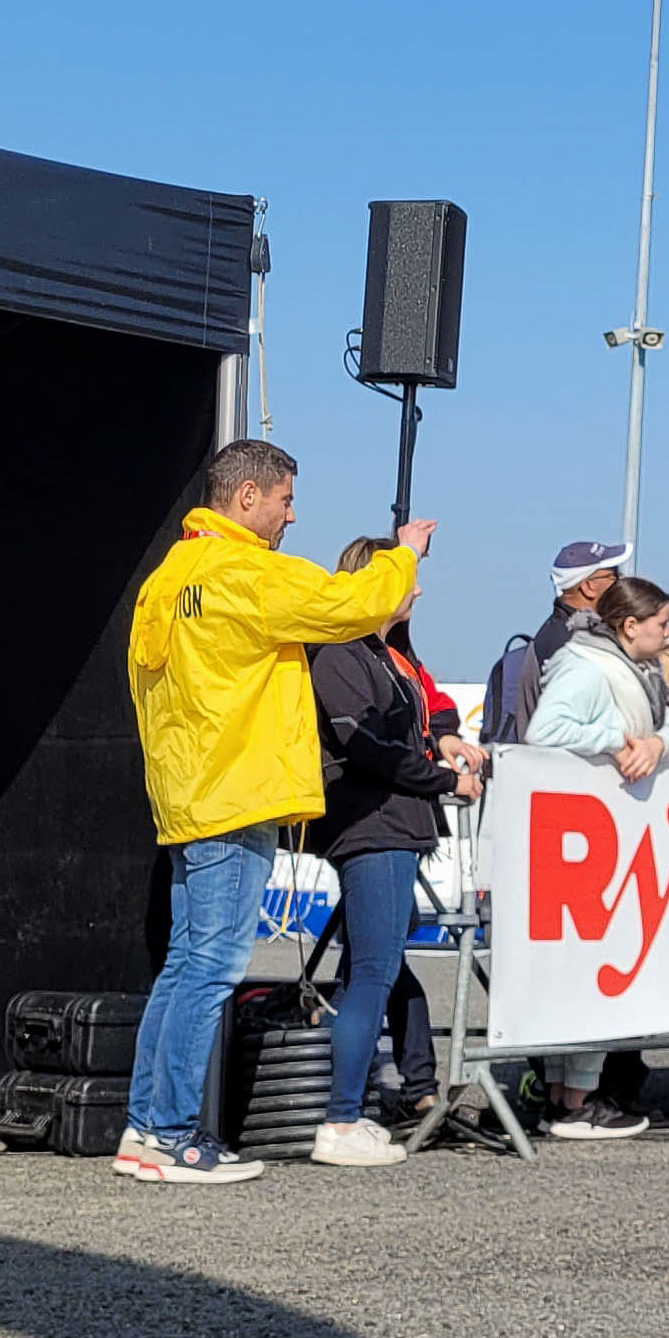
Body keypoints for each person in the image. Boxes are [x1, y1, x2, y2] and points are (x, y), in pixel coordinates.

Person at [116, 440, 425, 1185]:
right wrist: (404, 556)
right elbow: (351, 604)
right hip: (237, 790)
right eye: (285, 500)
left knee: (185, 965)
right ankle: (171, 1135)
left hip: (190, 791)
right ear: (247, 497)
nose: (293, 515)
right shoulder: (245, 571)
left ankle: (144, 1129)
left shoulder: (169, 578)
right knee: (212, 967)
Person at [303, 534, 483, 1166]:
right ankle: (341, 1119)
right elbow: (367, 748)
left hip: (393, 824)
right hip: (371, 825)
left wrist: (444, 738)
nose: (418, 589)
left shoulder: (384, 652)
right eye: (404, 578)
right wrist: (444, 778)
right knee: (373, 971)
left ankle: (400, 1092)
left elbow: (418, 718)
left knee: (374, 965)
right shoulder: (341, 651)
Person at [516, 573, 669, 1136]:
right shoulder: (587, 666)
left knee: (599, 967)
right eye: (662, 624)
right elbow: (547, 731)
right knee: (592, 969)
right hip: (583, 842)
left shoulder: (621, 668)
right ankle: (573, 1104)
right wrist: (619, 736)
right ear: (630, 626)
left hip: (608, 837)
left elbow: (661, 729)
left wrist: (661, 743)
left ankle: (574, 1098)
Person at [478, 538, 629, 751]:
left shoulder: (563, 633)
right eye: (614, 576)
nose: (621, 583)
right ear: (588, 587)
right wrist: (622, 741)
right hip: (568, 774)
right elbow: (569, 725)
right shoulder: (571, 644)